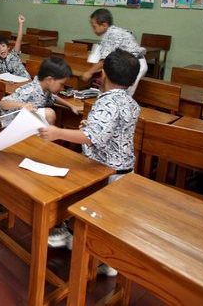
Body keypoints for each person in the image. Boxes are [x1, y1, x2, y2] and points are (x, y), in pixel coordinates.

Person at [39, 49, 141, 275]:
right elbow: (108, 132)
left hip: (105, 170)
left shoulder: (107, 102)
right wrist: (90, 126)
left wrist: (58, 133)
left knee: (97, 214)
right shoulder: (130, 102)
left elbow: (92, 137)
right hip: (123, 169)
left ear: (103, 74)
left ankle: (91, 254)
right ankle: (105, 260)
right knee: (111, 217)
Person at [81, 9, 147, 95]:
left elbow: (104, 60)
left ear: (104, 25)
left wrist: (89, 72)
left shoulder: (111, 34)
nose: (93, 30)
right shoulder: (113, 31)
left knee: (124, 94)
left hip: (134, 64)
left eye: (94, 26)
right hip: (126, 64)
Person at [0, 57, 78, 126]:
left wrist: (71, 106)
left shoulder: (46, 90)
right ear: (49, 80)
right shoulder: (30, 90)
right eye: (61, 84)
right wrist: (22, 105)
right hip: (11, 127)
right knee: (49, 114)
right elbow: (3, 103)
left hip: (26, 123)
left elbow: (54, 98)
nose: (62, 88)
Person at [0, 14, 30, 79]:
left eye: (3, 46)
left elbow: (19, 39)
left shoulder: (14, 55)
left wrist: (21, 24)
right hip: (12, 83)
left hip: (25, 80)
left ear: (8, 48)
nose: (1, 49)